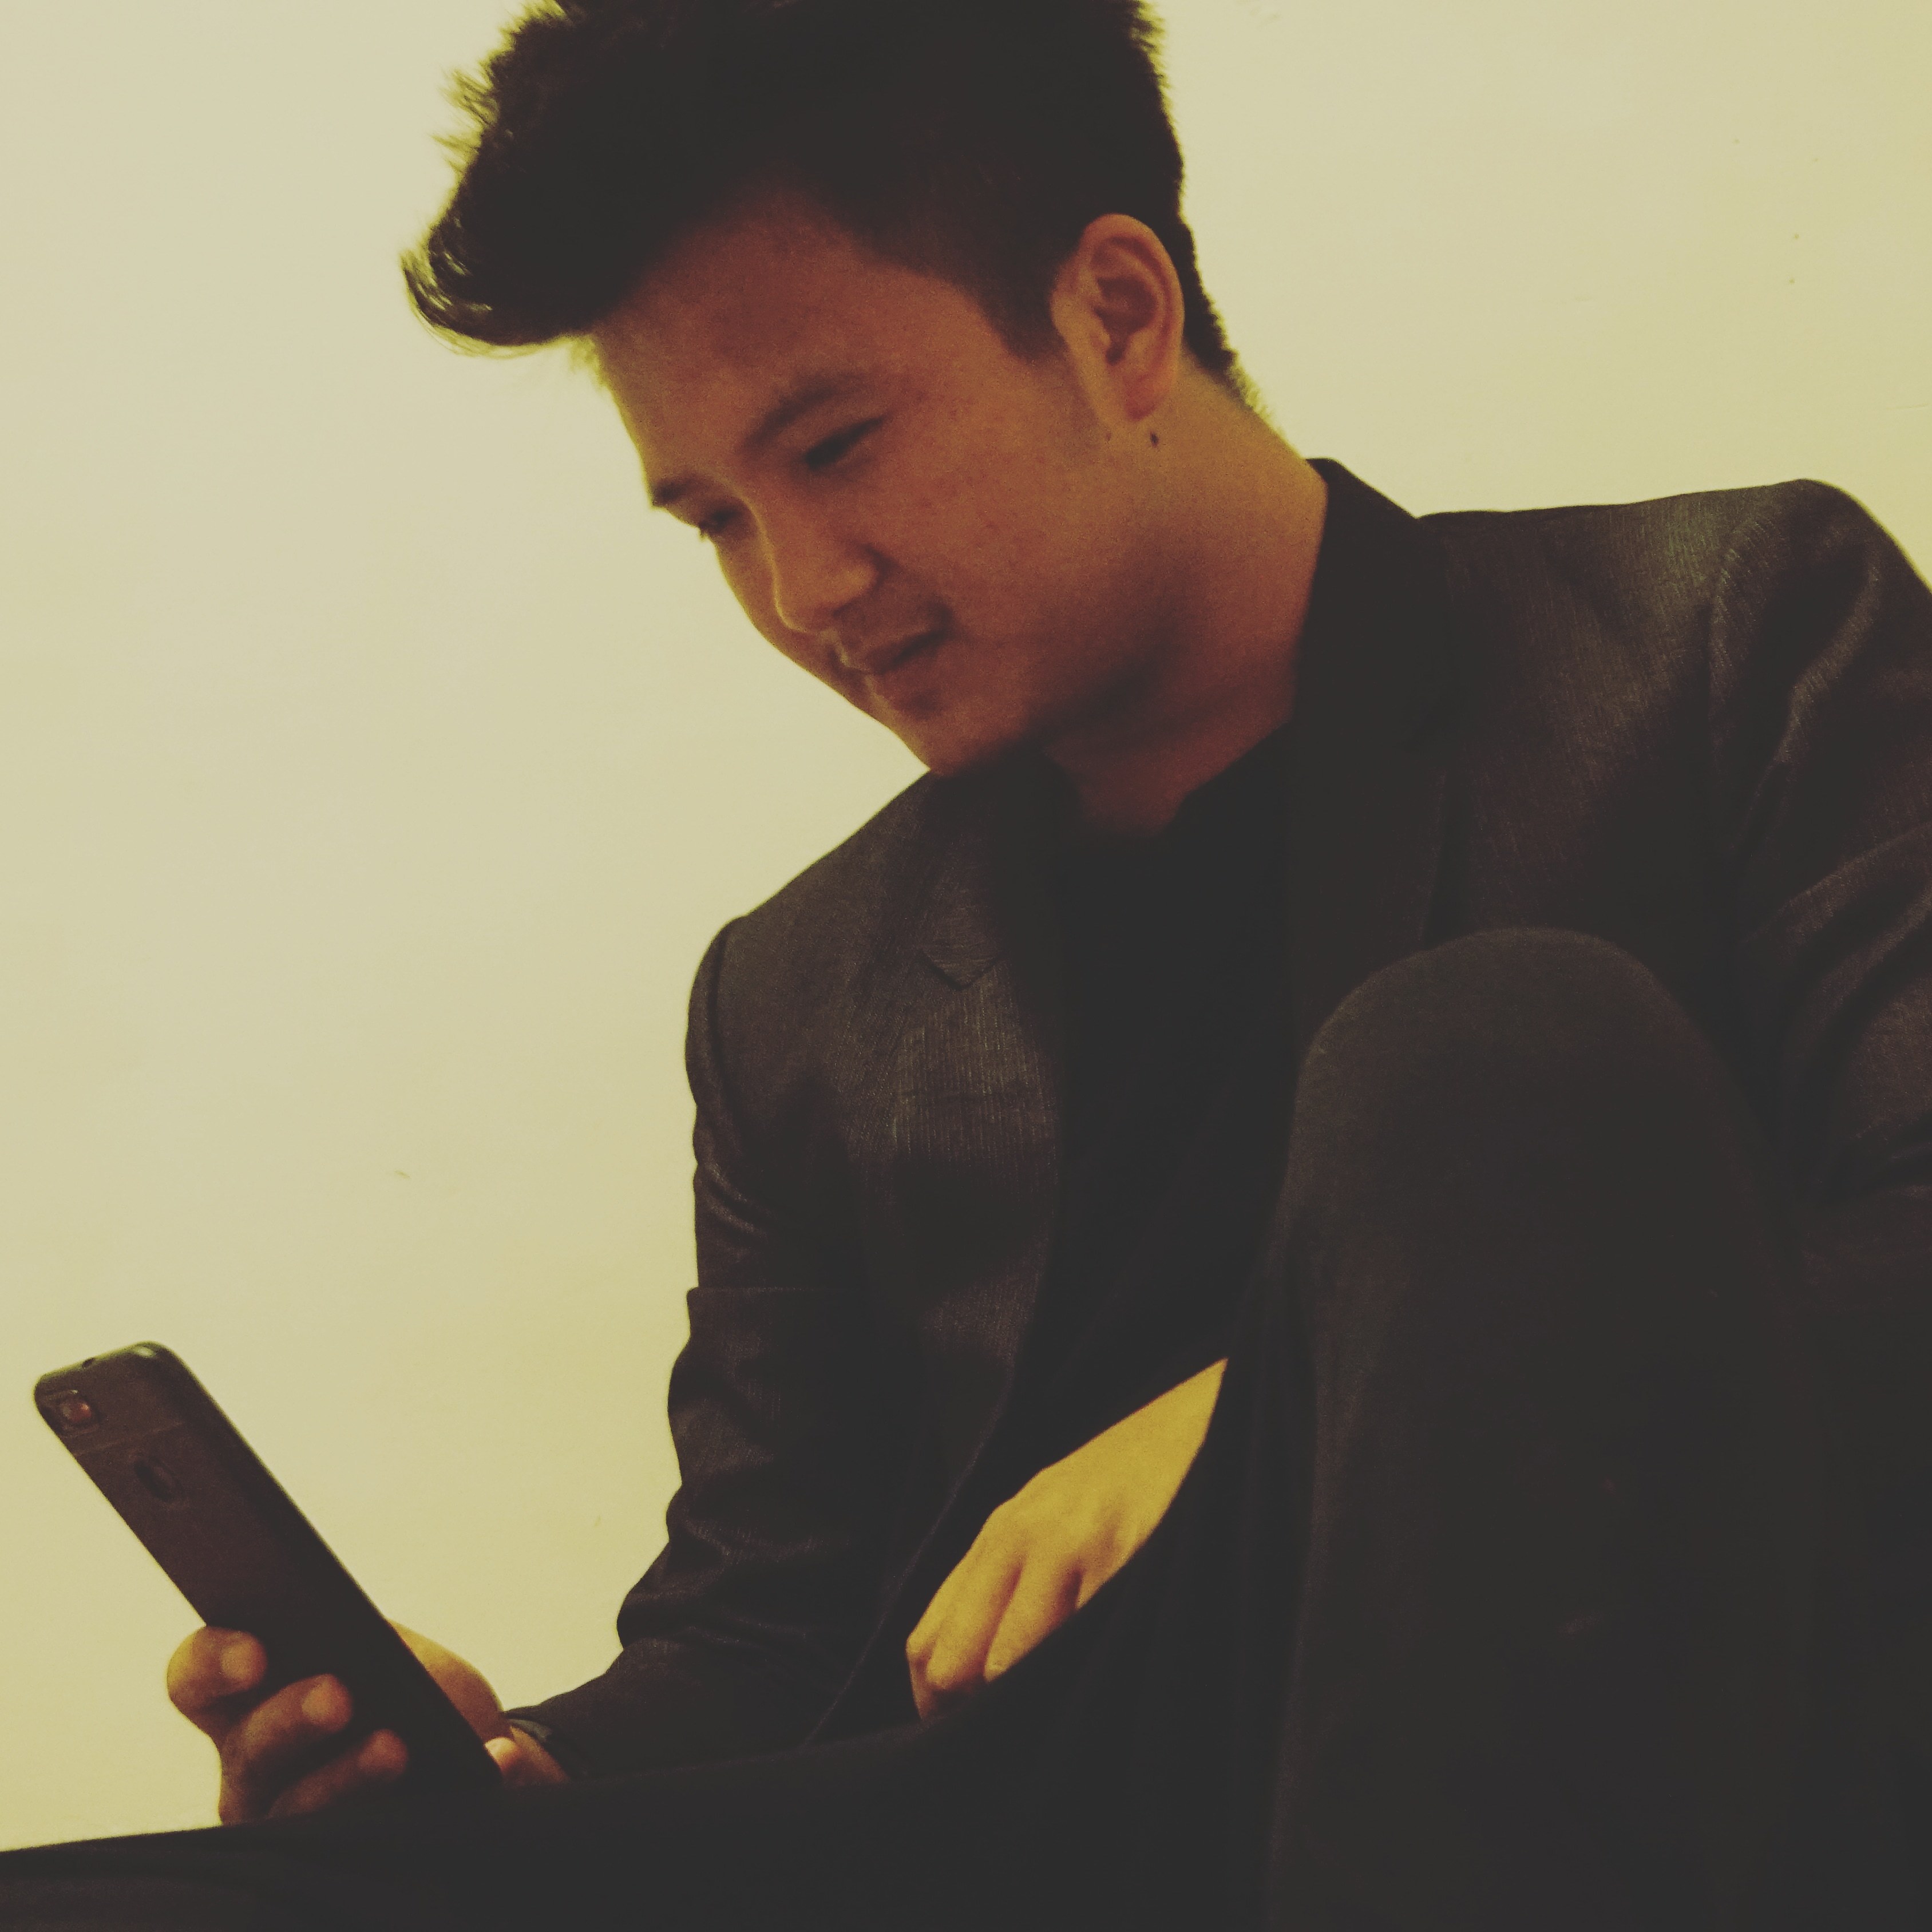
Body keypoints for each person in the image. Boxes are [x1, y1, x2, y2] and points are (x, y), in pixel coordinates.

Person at [3, 0, 1930, 1924]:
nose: (802, 592)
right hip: (994, 1832)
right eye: (716, 521)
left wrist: (1302, 1390)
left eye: (838, 446)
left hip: (1569, 1764)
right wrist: (513, 1778)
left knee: (1486, 1048)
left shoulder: (1722, 640)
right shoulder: (801, 995)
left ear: (1117, 316)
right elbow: (762, 1640)